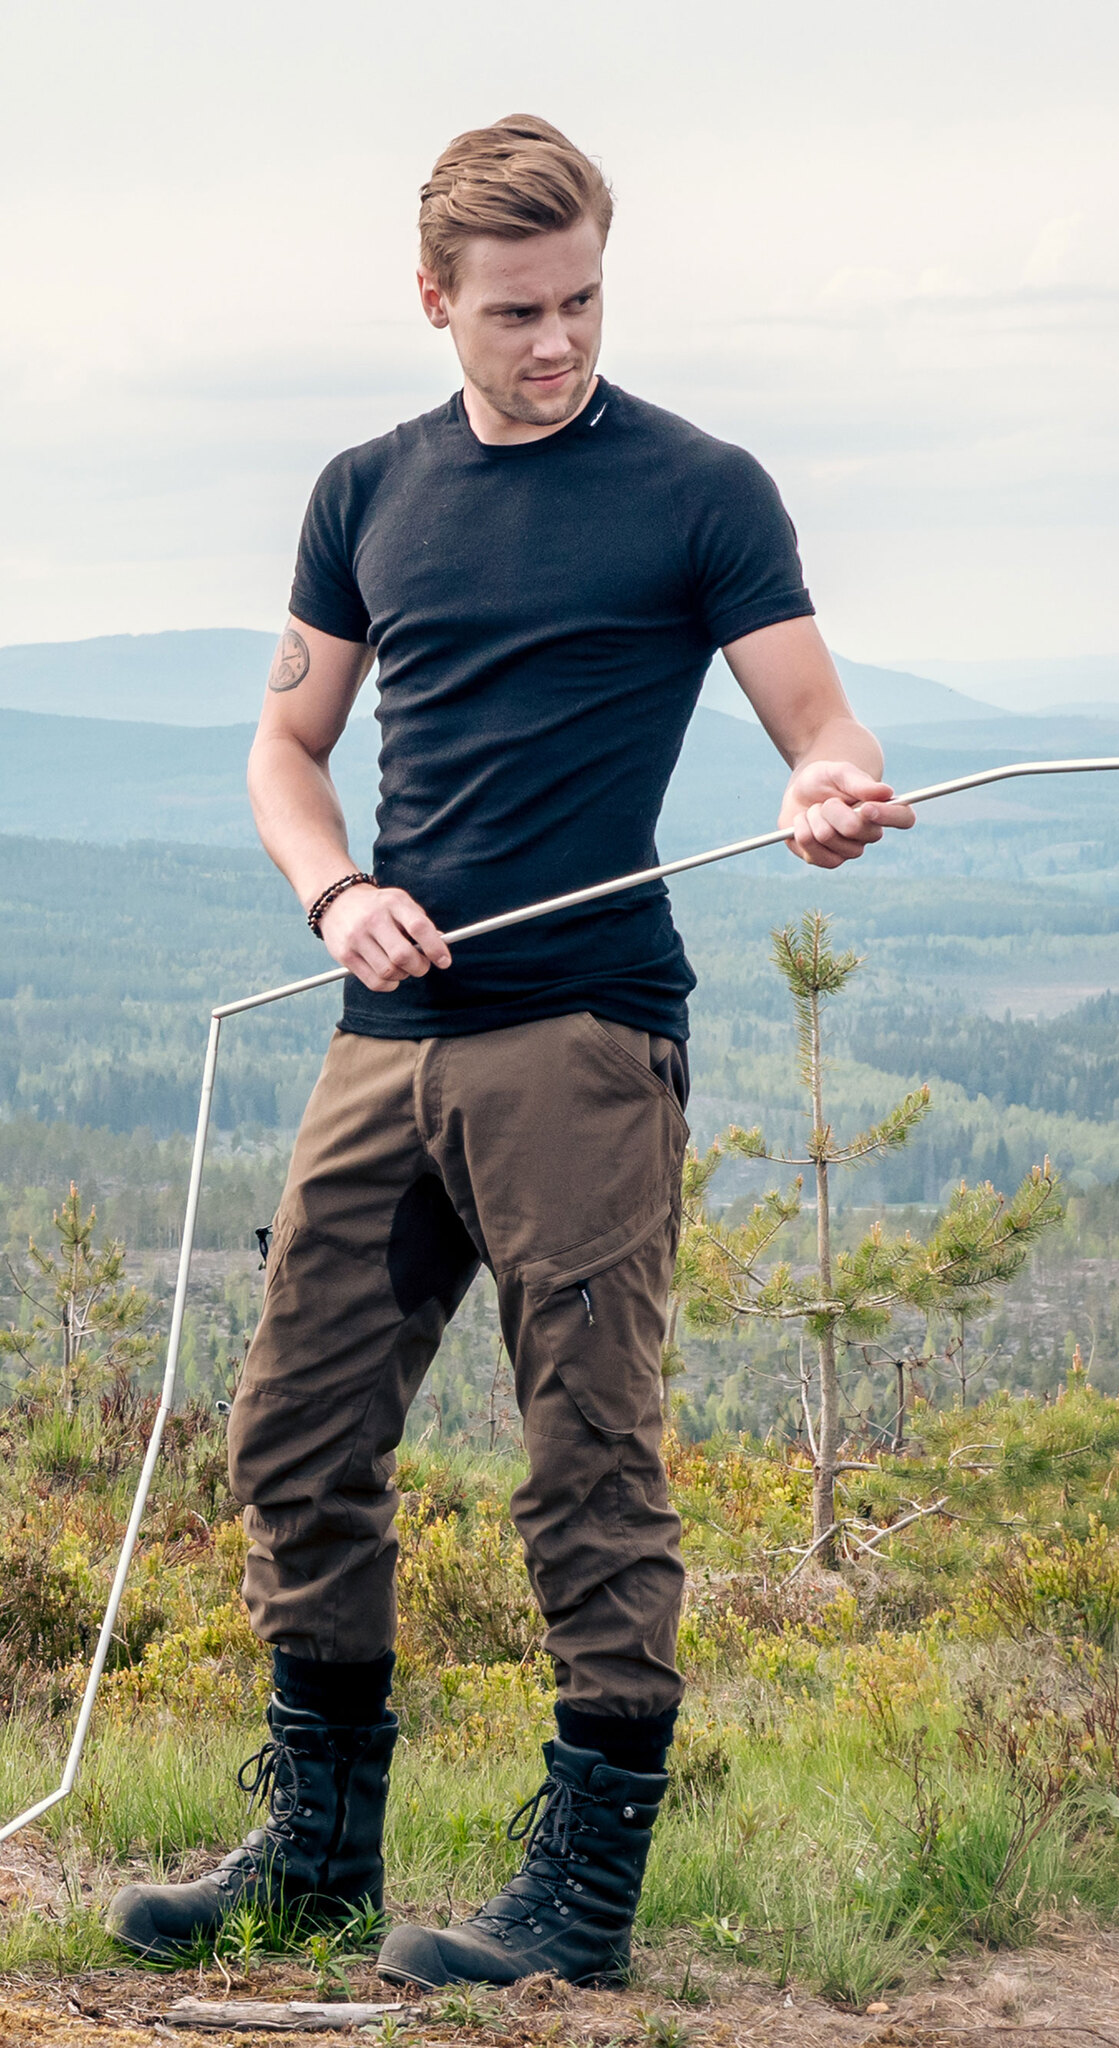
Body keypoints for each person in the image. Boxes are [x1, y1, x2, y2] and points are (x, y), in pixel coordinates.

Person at [106, 113, 913, 1988]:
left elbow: (819, 719)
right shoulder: (366, 491)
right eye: (516, 311)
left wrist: (824, 789)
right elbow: (286, 748)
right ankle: (318, 1862)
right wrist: (334, 894)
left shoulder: (701, 490)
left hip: (583, 1039)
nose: (557, 342)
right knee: (296, 1434)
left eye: (584, 302)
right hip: (384, 1033)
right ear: (433, 301)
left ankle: (582, 1911)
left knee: (586, 1461)